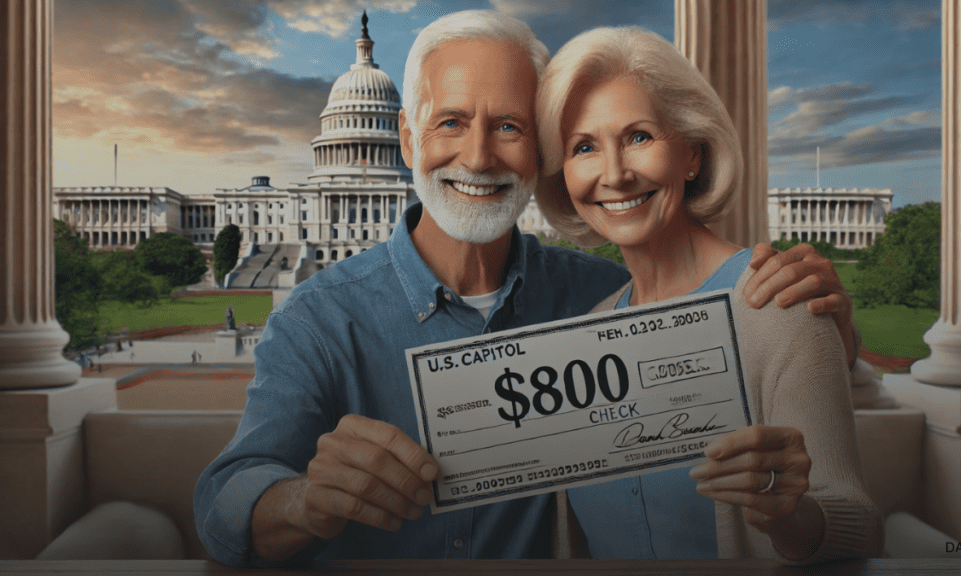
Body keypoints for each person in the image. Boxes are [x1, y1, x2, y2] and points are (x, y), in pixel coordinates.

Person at [194, 11, 862, 567]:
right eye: (451, 121)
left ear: (537, 153)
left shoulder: (599, 299)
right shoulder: (319, 316)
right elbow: (225, 500)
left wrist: (827, 323)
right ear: (404, 138)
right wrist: (306, 501)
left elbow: (749, 338)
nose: (480, 158)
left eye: (509, 126)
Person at [534, 26, 883, 563]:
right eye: (584, 147)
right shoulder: (591, 328)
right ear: (564, 177)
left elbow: (860, 526)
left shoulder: (778, 302)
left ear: (692, 153)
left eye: (638, 137)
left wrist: (787, 514)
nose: (615, 174)